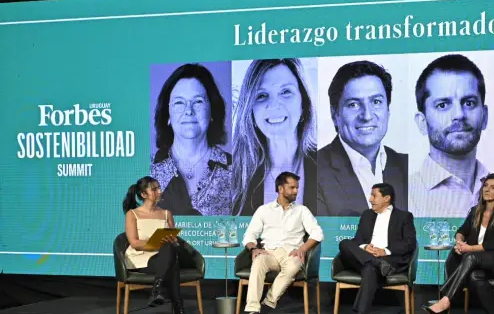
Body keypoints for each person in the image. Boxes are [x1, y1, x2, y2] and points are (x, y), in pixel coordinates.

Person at [421, 173, 494, 314]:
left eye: (493, 188)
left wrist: (469, 249)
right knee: (475, 276)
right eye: (486, 186)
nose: (487, 190)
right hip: (480, 263)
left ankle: (444, 301)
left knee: (471, 257)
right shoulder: (476, 210)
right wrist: (459, 242)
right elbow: (462, 230)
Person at [317, 61, 408, 216]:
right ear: (335, 114)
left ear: (388, 110)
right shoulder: (314, 171)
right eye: (353, 104)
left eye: (376, 102)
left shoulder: (407, 167)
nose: (367, 116)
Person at [230, 58, 318, 215]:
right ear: (250, 110)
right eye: (262, 95)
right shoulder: (234, 174)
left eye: (285, 92)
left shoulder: (326, 166)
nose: (274, 105)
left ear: (303, 101)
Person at [409, 54, 490, 217]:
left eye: (469, 103)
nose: (459, 114)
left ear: (485, 116)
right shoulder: (403, 197)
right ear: (422, 122)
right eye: (443, 105)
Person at [241, 171, 324, 314]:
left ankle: (266, 306)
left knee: (293, 266)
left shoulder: (302, 210)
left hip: (291, 254)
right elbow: (249, 235)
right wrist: (253, 248)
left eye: (297, 188)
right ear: (280, 188)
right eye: (292, 187)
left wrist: (303, 248)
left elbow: (317, 233)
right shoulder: (264, 210)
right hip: (269, 253)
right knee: (258, 261)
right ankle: (253, 311)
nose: (296, 191)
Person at [151, 63, 233, 216]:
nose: (189, 111)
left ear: (212, 112)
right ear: (168, 114)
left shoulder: (236, 171)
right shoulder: (149, 169)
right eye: (179, 102)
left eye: (198, 102)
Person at [336, 183, 416, 314]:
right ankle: (376, 263)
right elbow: (357, 240)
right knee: (345, 243)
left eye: (374, 196)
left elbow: (409, 243)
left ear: (387, 198)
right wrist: (366, 247)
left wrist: (384, 251)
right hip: (368, 258)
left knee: (370, 269)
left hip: (388, 259)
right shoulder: (367, 215)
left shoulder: (404, 216)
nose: (370, 198)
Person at [123, 176, 196, 314]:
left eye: (159, 188)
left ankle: (157, 289)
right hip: (141, 258)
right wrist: (157, 243)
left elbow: (173, 240)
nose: (159, 192)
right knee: (171, 263)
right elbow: (134, 243)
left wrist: (173, 242)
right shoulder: (133, 214)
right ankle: (179, 312)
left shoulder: (166, 214)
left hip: (163, 256)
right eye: (154, 189)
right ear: (143, 194)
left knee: (170, 251)